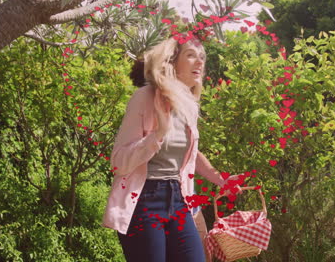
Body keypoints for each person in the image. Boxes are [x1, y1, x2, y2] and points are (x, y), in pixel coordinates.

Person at [102, 36, 242, 262]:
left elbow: (191, 154)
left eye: (202, 57)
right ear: (172, 61)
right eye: (191, 55)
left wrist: (222, 180)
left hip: (178, 199)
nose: (199, 62)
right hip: (144, 201)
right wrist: (157, 135)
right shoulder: (144, 98)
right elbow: (118, 161)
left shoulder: (188, 104)